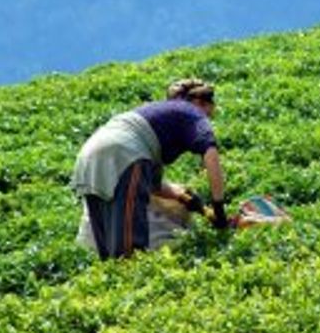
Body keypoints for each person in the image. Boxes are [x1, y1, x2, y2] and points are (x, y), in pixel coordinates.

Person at [70, 78, 229, 259]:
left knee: (107, 244)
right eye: (209, 113)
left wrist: (192, 202)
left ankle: (114, 280)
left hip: (90, 156)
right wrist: (219, 210)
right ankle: (130, 276)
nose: (208, 118)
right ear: (200, 103)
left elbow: (153, 186)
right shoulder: (192, 112)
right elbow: (211, 154)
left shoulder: (154, 119)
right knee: (129, 249)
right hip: (124, 153)